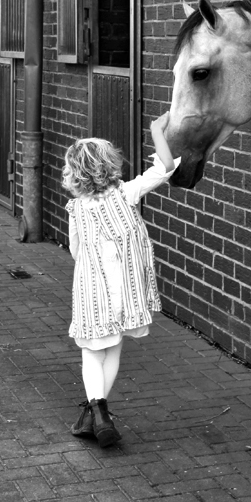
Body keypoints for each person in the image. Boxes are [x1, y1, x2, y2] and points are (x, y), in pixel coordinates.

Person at [62, 112, 179, 447]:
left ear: (75, 172)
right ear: (108, 166)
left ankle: (97, 413)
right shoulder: (127, 193)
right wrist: (157, 130)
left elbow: (76, 252)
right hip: (126, 293)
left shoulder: (77, 210)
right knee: (113, 347)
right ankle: (96, 417)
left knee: (90, 353)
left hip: (92, 292)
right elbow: (165, 168)